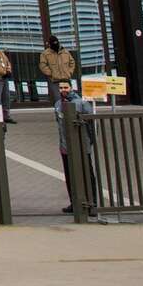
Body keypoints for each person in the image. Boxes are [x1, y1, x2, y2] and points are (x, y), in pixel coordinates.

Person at [54, 79, 97, 214]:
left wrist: (89, 141)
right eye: (61, 88)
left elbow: (91, 123)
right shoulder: (58, 104)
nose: (63, 90)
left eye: (65, 87)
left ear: (71, 88)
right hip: (65, 146)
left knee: (87, 174)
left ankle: (92, 204)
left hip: (81, 145)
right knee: (70, 175)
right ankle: (75, 203)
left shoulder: (81, 103)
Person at [38, 34, 78, 98]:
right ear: (49, 45)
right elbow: (42, 65)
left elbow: (72, 62)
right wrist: (51, 73)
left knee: (70, 98)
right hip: (55, 81)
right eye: (53, 43)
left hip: (66, 79)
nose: (55, 45)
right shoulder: (45, 54)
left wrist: (69, 72)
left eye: (56, 43)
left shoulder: (65, 52)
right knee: (59, 99)